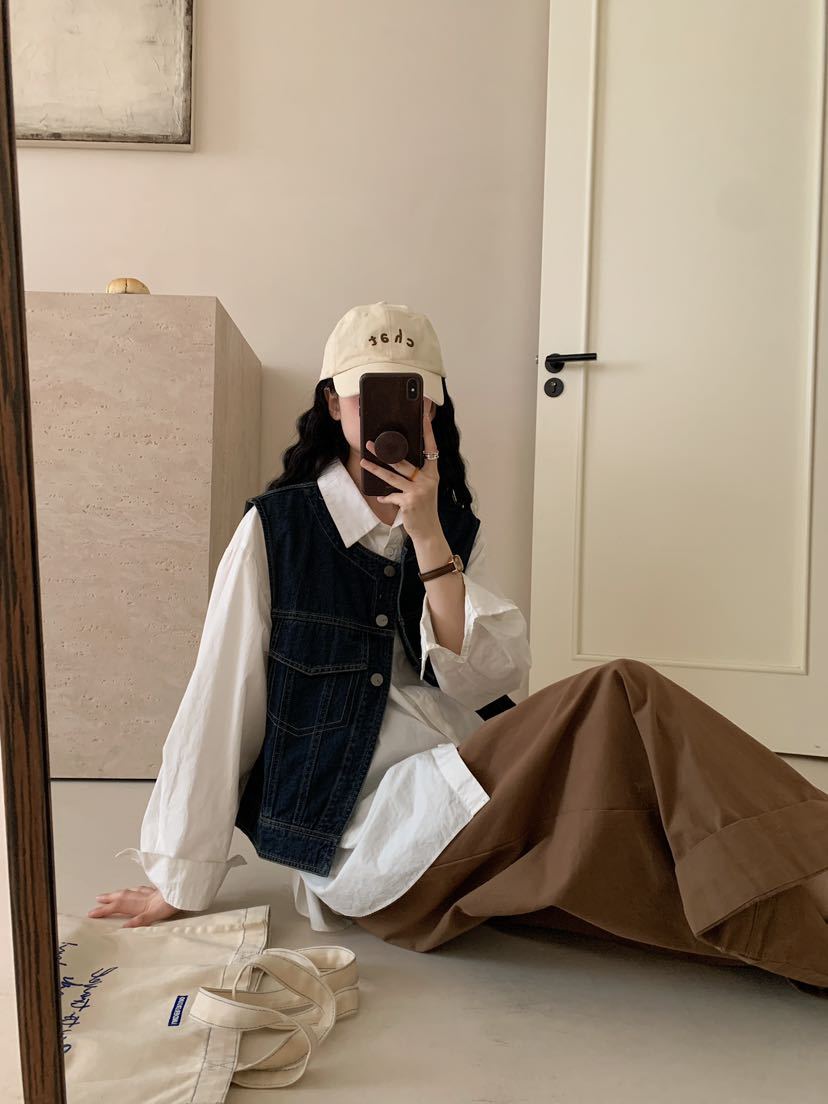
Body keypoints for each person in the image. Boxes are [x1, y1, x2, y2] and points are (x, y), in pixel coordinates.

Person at [89, 302, 828, 996]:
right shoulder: (277, 531)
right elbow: (220, 703)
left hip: (468, 793)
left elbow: (487, 681)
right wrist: (181, 879)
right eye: (367, 395)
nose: (388, 415)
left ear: (432, 411)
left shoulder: (451, 528)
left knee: (642, 843)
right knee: (621, 695)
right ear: (334, 405)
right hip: (377, 843)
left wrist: (427, 535)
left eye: (410, 398)